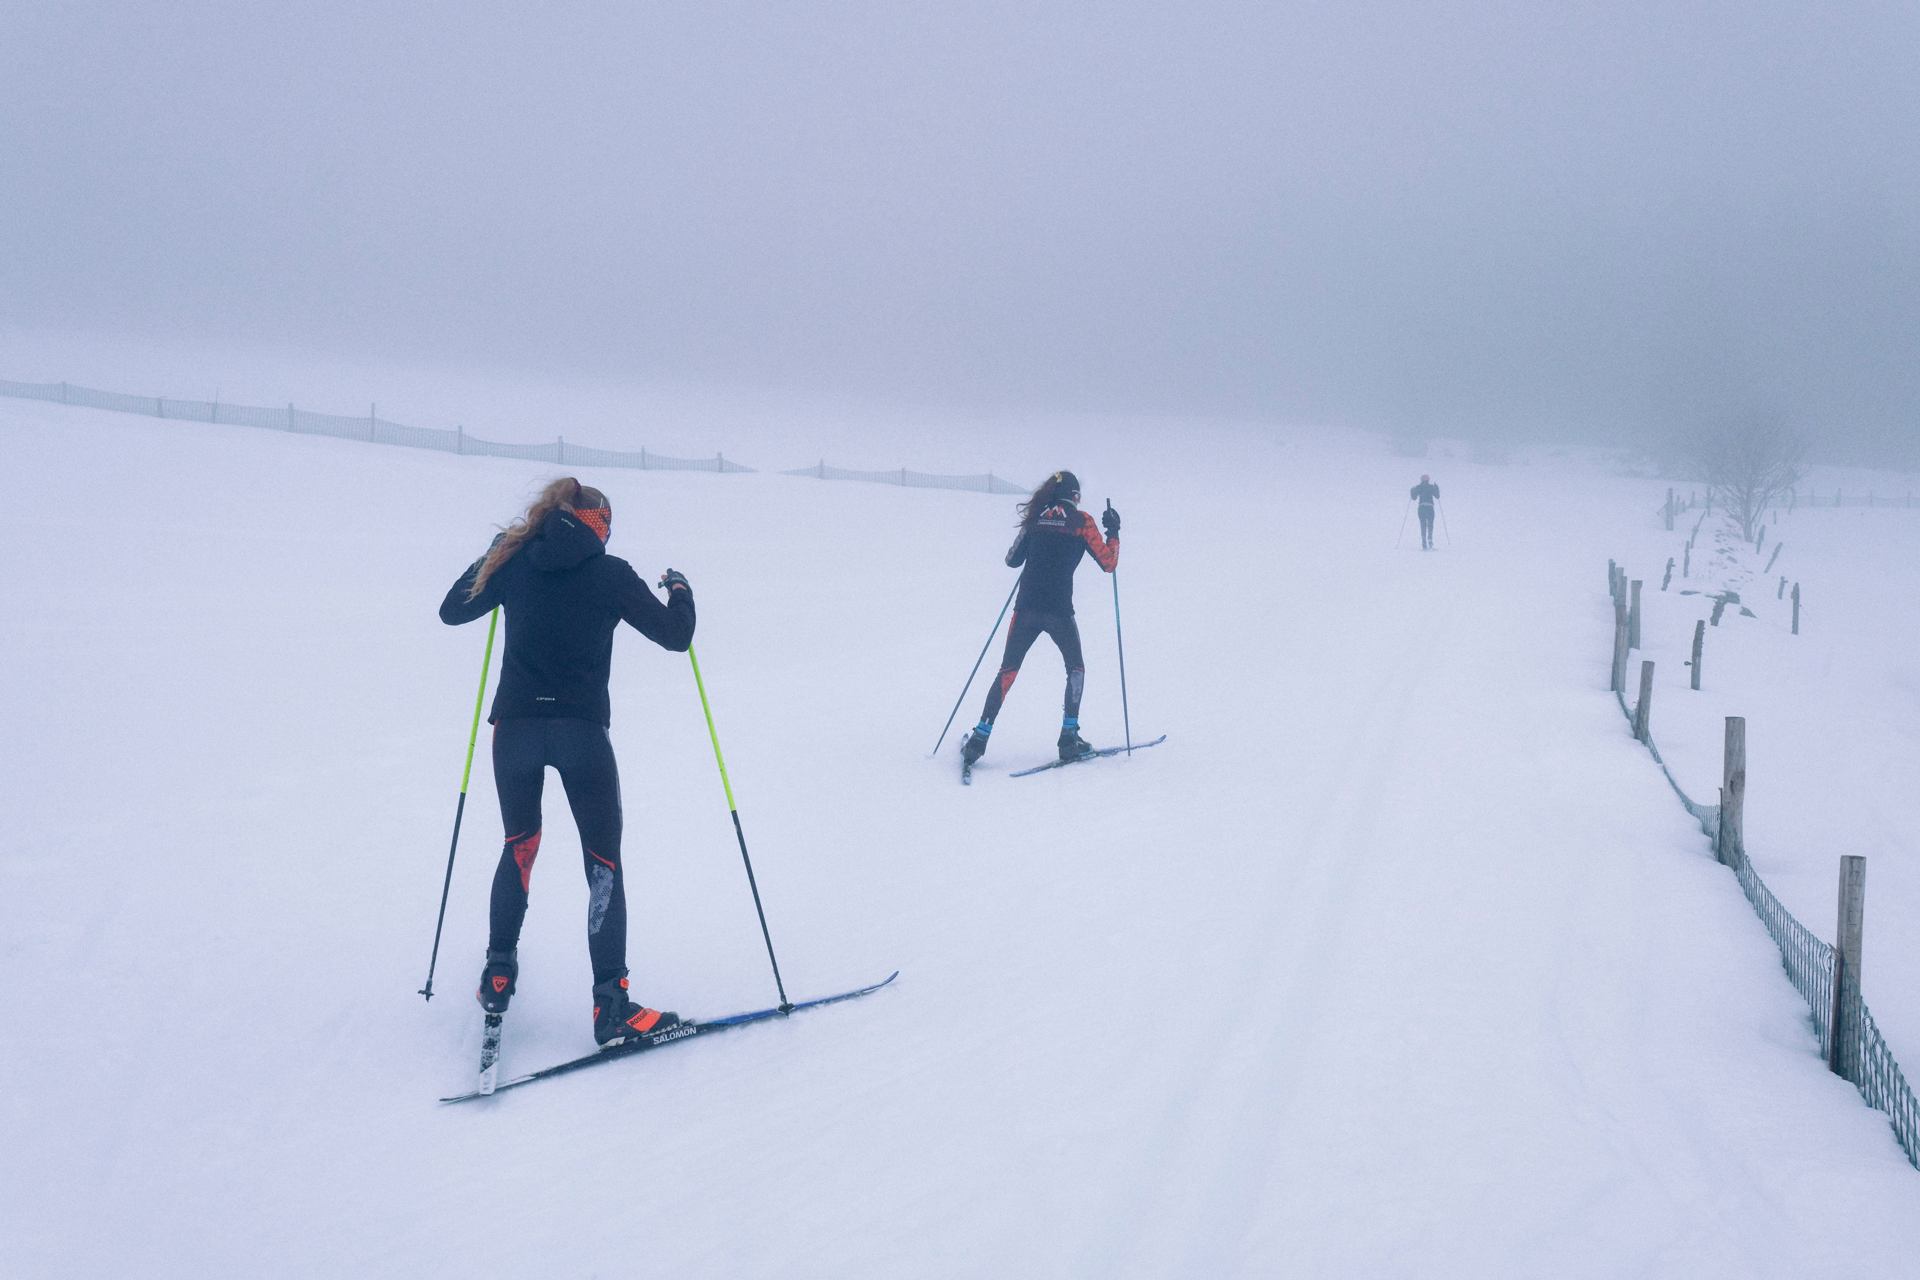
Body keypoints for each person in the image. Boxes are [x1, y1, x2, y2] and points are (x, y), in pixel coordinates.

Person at [439, 477, 696, 1048]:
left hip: (516, 734)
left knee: (520, 846)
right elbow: (677, 637)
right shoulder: (610, 573)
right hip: (582, 736)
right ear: (598, 522)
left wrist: (495, 553)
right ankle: (612, 1005)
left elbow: (451, 613)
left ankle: (498, 973)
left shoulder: (516, 562)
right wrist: (681, 590)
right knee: (602, 864)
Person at [961, 470, 1120, 767]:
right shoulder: (1082, 522)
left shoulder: (1036, 520)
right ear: (1074, 497)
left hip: (1026, 610)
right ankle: (1068, 739)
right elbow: (1108, 563)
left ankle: (979, 739)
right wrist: (1113, 532)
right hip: (1059, 611)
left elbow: (1012, 560)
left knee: (1007, 671)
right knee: (1075, 669)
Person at [1410, 474, 1441, 550]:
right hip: (1430, 507)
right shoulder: (1431, 487)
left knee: (1422, 525)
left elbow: (1414, 498)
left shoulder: (1418, 487)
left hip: (1421, 508)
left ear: (1421, 480)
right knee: (1430, 524)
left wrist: (1412, 491)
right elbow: (1437, 496)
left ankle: (1424, 542)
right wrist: (1437, 488)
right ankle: (1430, 540)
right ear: (1428, 480)